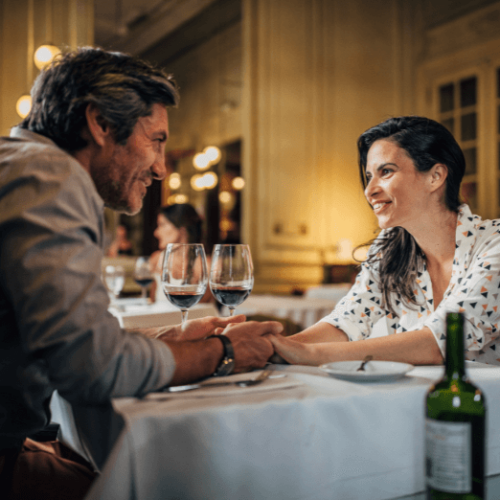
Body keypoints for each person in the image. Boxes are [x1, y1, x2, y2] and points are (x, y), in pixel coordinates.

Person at [0, 47, 280, 500]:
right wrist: (222, 351)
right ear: (101, 124)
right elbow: (93, 368)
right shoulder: (49, 177)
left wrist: (166, 342)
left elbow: (62, 343)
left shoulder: (20, 163)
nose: (161, 167)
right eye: (157, 140)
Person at [269, 116, 500, 367]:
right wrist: (274, 349)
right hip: (411, 399)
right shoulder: (389, 247)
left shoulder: (494, 244)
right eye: (369, 176)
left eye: (386, 172)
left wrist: (311, 355)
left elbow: (439, 342)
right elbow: (346, 322)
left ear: (435, 176)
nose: (369, 190)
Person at [150, 203, 213, 303]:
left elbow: (203, 308)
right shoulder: (157, 260)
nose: (156, 232)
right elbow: (153, 303)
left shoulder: (206, 266)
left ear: (181, 229)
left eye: (162, 225)